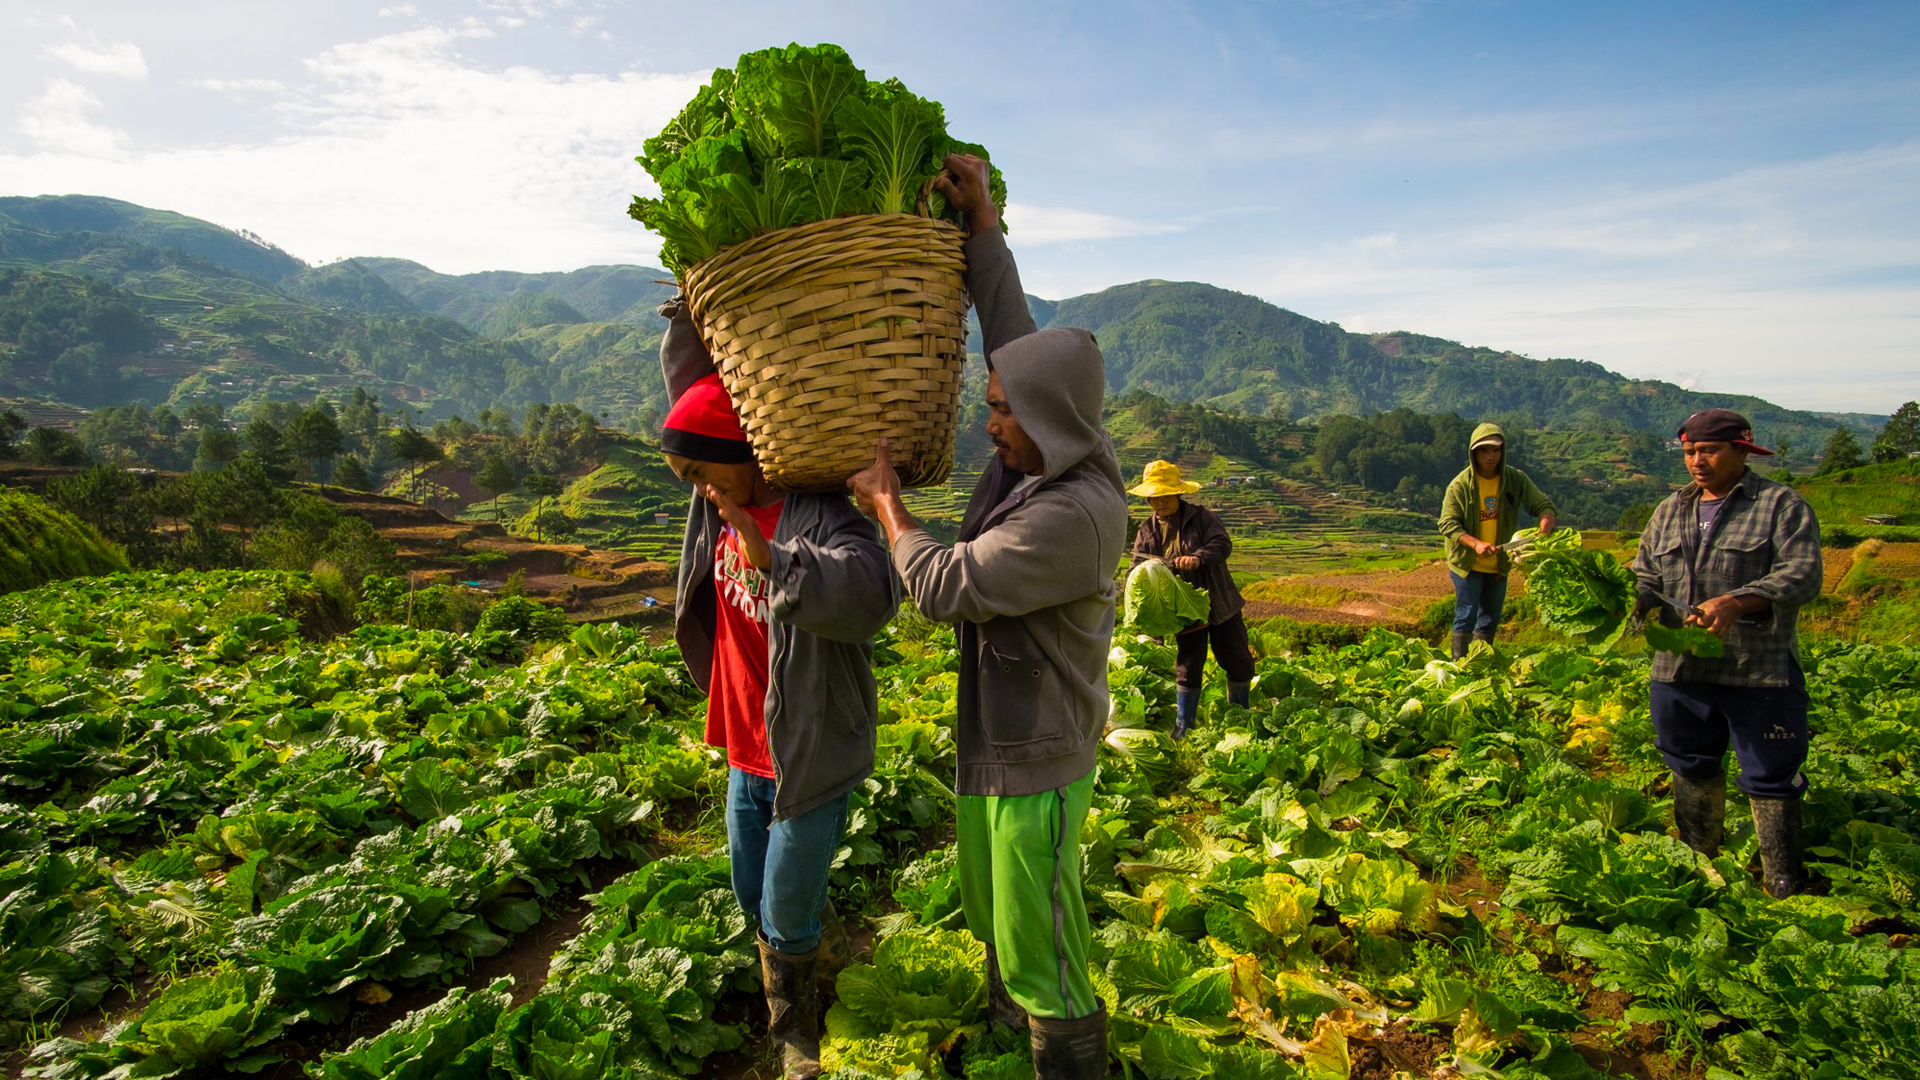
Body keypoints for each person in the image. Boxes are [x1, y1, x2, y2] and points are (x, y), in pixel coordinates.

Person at [847, 153, 1123, 1080]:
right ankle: (1016, 1035)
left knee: (1044, 938)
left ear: (1043, 418)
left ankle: (1065, 1055)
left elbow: (943, 584)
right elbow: (1015, 336)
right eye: (992, 406)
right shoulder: (1048, 442)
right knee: (995, 908)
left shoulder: (1073, 515)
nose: (988, 424)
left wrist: (889, 507)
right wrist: (985, 226)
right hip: (996, 739)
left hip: (1038, 755)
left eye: (1002, 413)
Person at [656, 312, 897, 1079]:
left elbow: (874, 593)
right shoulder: (714, 497)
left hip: (809, 746)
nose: (697, 491)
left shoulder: (820, 515)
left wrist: (776, 561)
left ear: (743, 457)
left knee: (784, 903)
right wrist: (695, 312)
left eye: (702, 473)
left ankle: (794, 1030)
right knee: (749, 890)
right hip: (744, 742)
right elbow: (694, 398)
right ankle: (819, 960)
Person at [1632, 408, 1822, 898]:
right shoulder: (1670, 510)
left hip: (1755, 668)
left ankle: (1782, 881)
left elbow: (1801, 574)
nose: (1698, 460)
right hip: (1680, 668)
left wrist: (1737, 601)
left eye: (1709, 450)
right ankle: (1701, 866)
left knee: (1771, 774)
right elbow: (1647, 575)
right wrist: (1628, 598)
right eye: (1690, 451)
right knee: (1690, 762)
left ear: (1742, 450)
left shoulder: (1781, 505)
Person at [1127, 460, 1253, 738]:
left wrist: (1198, 558)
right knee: (1189, 664)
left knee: (1237, 658)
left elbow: (1222, 545)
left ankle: (1241, 718)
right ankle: (1184, 726)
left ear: (1177, 494)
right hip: (1184, 608)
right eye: (1154, 497)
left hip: (1219, 602)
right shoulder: (1147, 531)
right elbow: (1135, 566)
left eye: (1164, 496)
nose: (1159, 503)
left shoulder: (1201, 518)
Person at [1436, 422, 1556, 657]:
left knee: (1490, 620)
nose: (1490, 456)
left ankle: (1481, 663)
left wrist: (1546, 524)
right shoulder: (1460, 485)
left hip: (1499, 564)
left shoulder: (1514, 479)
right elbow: (1448, 524)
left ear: (1503, 452)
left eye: (1495, 450)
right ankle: (1460, 665)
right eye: (1483, 451)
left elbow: (1543, 505)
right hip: (1467, 564)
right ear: (1473, 453)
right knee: (1465, 616)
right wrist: (1476, 544)